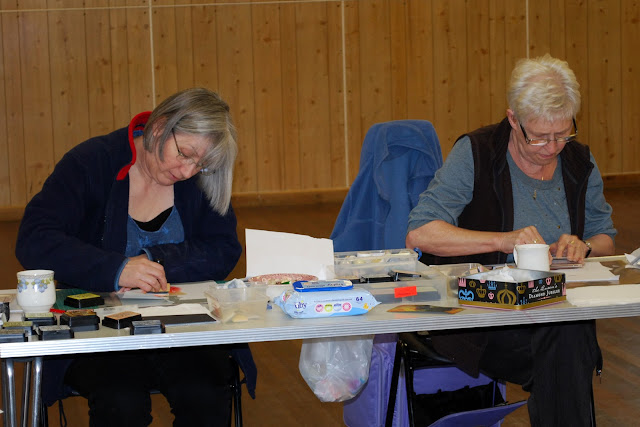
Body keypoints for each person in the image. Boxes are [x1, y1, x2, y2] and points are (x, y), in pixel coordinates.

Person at [406, 54, 616, 426]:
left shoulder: (579, 162)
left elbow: (605, 240)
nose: (552, 147)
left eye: (562, 134)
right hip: (485, 317)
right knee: (567, 341)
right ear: (513, 119)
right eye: (539, 137)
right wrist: (503, 241)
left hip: (557, 308)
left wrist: (584, 246)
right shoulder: (477, 152)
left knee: (567, 334)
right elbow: (420, 233)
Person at [16, 87, 243, 426]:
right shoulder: (91, 162)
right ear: (159, 128)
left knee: (206, 394)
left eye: (201, 164)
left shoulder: (200, 180)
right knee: (121, 403)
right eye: (185, 154)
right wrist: (116, 269)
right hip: (98, 332)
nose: (188, 171)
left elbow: (223, 248)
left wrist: (155, 261)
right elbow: (34, 238)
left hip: (182, 329)